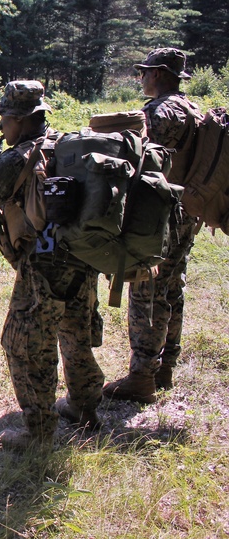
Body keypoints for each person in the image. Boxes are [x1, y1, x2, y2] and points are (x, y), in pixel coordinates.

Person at [0, 81, 104, 451]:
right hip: (82, 254)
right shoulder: (66, 145)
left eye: (4, 121)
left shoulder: (18, 157)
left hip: (44, 263)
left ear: (21, 120)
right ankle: (85, 409)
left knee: (23, 344)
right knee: (74, 331)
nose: (1, 129)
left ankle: (39, 434)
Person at [104, 48, 201, 403]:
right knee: (172, 287)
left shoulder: (158, 113)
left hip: (159, 216)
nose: (141, 78)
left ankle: (142, 375)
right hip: (188, 210)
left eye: (144, 72)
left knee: (147, 291)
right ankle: (164, 368)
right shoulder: (193, 110)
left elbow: (139, 162)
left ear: (158, 74)